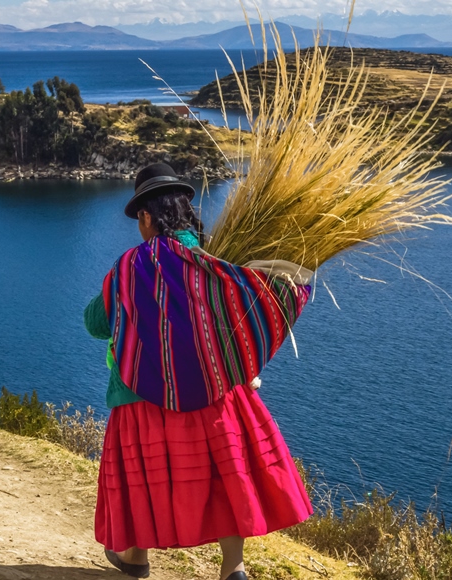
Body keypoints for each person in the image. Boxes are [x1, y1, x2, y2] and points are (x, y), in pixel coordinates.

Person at [84, 163, 314, 580]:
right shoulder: (219, 260)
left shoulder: (130, 267)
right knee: (225, 478)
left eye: (140, 219)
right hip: (217, 391)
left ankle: (136, 558)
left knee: (142, 480)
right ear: (185, 212)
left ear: (148, 217)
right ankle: (233, 568)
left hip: (140, 394)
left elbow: (96, 323)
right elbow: (257, 303)